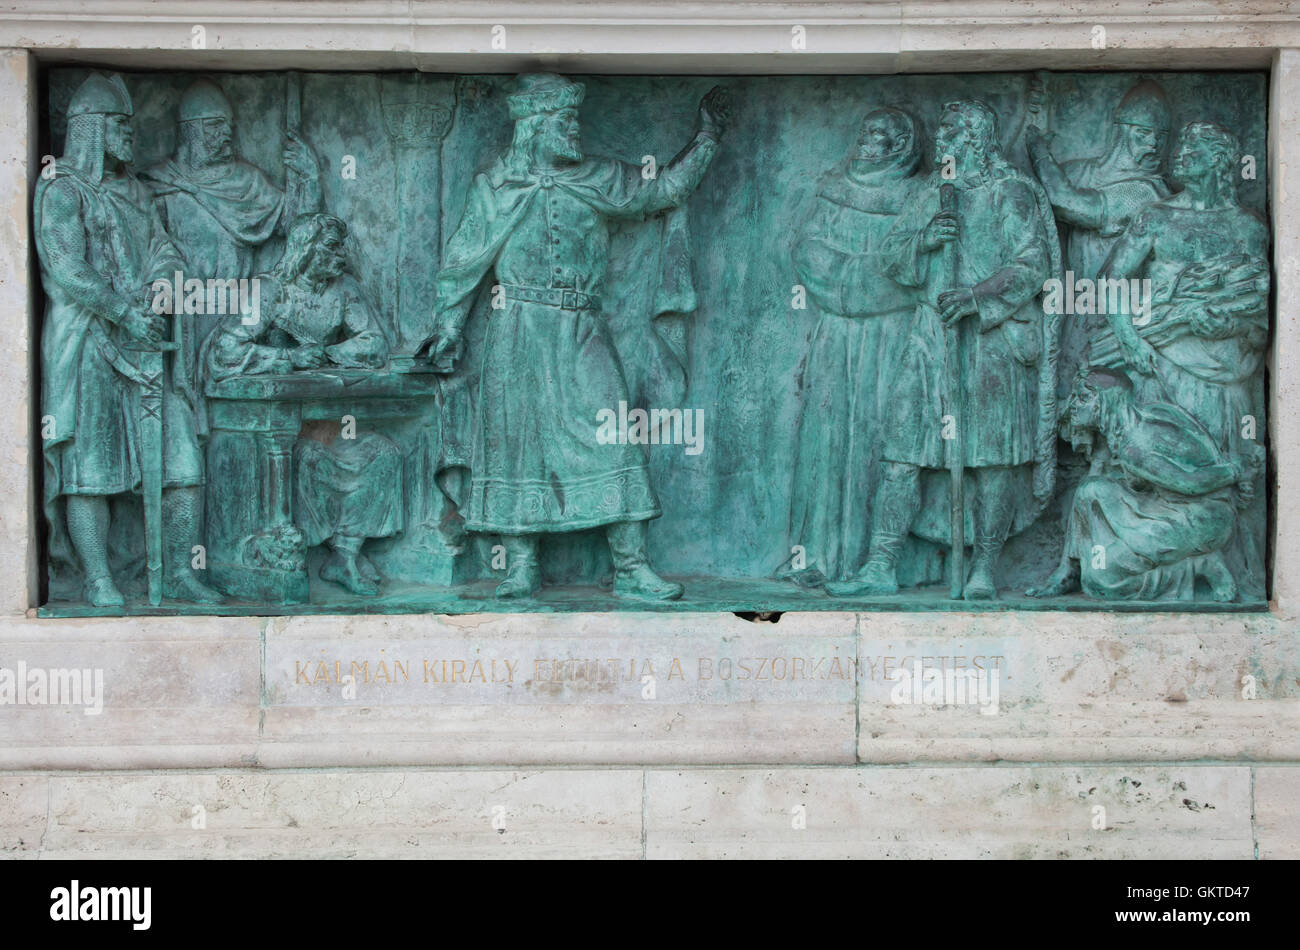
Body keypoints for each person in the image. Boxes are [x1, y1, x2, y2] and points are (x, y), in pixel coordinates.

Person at [419, 73, 729, 601]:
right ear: (534, 128)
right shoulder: (497, 188)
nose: (573, 132)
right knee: (518, 444)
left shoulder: (600, 177)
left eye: (574, 121)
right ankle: (519, 567)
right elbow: (464, 260)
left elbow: (664, 190)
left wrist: (707, 138)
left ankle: (631, 566)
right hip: (517, 330)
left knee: (611, 431)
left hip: (581, 328)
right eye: (564, 122)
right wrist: (449, 325)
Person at [829, 99, 1061, 600]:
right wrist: (925, 241)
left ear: (976, 139)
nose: (942, 142)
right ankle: (881, 563)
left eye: (952, 133)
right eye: (942, 132)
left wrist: (977, 297)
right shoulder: (935, 192)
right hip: (931, 337)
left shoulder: (1011, 191)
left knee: (993, 460)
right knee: (902, 451)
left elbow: (1033, 264)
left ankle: (984, 569)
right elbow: (892, 255)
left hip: (992, 343)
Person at [37, 73, 222, 607]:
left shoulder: (136, 190)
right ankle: (97, 578)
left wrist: (164, 286)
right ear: (92, 129)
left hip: (148, 348)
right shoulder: (61, 189)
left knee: (182, 464)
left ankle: (183, 573)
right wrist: (122, 311)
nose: (130, 135)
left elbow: (166, 250)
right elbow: (67, 267)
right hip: (90, 345)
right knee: (91, 469)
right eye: (120, 125)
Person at [205, 213, 402, 596]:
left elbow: (375, 343)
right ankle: (296, 555)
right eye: (330, 247)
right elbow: (225, 349)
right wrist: (286, 360)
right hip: (275, 421)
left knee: (383, 453)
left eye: (340, 248)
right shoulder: (269, 290)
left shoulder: (344, 289)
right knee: (308, 458)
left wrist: (329, 352)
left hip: (331, 417)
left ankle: (345, 554)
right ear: (307, 249)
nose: (339, 256)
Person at [781, 107, 925, 588]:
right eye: (865, 131)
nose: (869, 142)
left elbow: (921, 267)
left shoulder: (919, 195)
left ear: (902, 145)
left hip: (893, 337)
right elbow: (808, 252)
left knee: (884, 438)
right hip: (837, 337)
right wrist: (866, 276)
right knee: (826, 436)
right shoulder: (833, 189)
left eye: (882, 135)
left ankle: (880, 561)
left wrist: (875, 276)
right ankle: (816, 554)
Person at [1028, 366, 1260, 601]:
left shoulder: (1134, 448)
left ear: (1105, 403)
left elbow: (1190, 484)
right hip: (1169, 505)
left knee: (1099, 580)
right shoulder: (1146, 416)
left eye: (1083, 398)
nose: (1074, 405)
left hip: (1202, 519)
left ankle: (1201, 566)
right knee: (1090, 490)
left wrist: (1237, 471)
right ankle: (1067, 572)